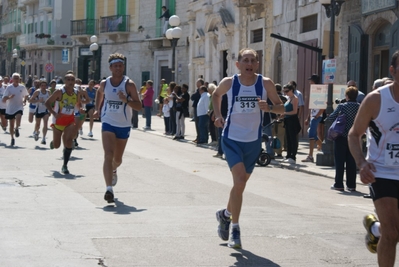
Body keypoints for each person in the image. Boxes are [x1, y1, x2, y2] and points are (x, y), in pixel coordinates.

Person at [212, 48, 284, 249]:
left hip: (253, 141)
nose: (249, 63)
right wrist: (218, 115)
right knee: (240, 180)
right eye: (245, 60)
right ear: (238, 64)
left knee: (240, 185)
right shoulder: (229, 82)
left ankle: (225, 214)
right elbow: (216, 95)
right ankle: (235, 229)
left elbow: (281, 108)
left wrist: (269, 107)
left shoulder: (266, 83)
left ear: (257, 64)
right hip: (232, 138)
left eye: (253, 60)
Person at [348, 50, 399, 265]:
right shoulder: (376, 99)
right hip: (382, 172)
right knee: (392, 233)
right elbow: (354, 134)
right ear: (393, 71)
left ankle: (374, 228)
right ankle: (381, 230)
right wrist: (361, 163)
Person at [94, 53, 141, 203]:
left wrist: (126, 99)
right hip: (108, 122)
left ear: (123, 67)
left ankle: (114, 169)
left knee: (117, 159)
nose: (118, 68)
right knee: (108, 154)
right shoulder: (105, 83)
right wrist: (97, 109)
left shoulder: (129, 84)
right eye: (115, 66)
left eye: (120, 65)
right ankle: (109, 189)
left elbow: (139, 106)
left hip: (123, 124)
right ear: (110, 68)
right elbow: (99, 93)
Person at [45, 71, 81, 174]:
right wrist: (53, 113)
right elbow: (47, 102)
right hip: (58, 121)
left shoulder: (76, 93)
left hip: (69, 120)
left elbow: (77, 104)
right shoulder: (59, 92)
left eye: (72, 80)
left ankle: (65, 165)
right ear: (65, 81)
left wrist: (80, 109)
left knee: (69, 142)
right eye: (68, 80)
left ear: (75, 81)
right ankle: (54, 142)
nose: (70, 82)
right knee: (57, 145)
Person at [328, 86, 359, 191]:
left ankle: (339, 184)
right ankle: (351, 185)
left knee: (340, 161)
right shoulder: (360, 106)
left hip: (341, 136)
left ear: (347, 96)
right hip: (354, 137)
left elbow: (331, 117)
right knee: (351, 161)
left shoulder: (342, 106)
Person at [2, 73, 28, 146]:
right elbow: (4, 98)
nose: (16, 80)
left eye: (17, 78)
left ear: (19, 79)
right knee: (11, 125)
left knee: (18, 118)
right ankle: (12, 138)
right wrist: (9, 97)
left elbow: (26, 95)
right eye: (15, 78)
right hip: (10, 108)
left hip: (19, 106)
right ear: (12, 79)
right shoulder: (9, 87)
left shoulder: (22, 87)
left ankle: (17, 128)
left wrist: (25, 100)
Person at [302, 75, 324, 162]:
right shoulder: (313, 91)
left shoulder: (320, 91)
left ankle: (310, 156)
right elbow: (311, 106)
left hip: (316, 116)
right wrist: (308, 117)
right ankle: (322, 146)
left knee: (311, 135)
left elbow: (323, 105)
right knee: (311, 134)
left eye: (310, 80)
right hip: (313, 116)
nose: (309, 82)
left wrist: (317, 116)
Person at [282, 83, 300, 163]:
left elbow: (295, 111)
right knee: (288, 138)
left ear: (291, 90)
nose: (285, 93)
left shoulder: (295, 98)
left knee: (293, 139)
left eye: (287, 91)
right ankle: (288, 155)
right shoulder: (288, 98)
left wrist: (285, 113)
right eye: (284, 91)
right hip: (287, 120)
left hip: (293, 120)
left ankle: (293, 156)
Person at [272, 83, 287, 158]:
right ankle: (279, 152)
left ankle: (272, 150)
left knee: (272, 135)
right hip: (282, 119)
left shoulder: (272, 98)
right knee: (280, 136)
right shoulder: (285, 98)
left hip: (273, 119)